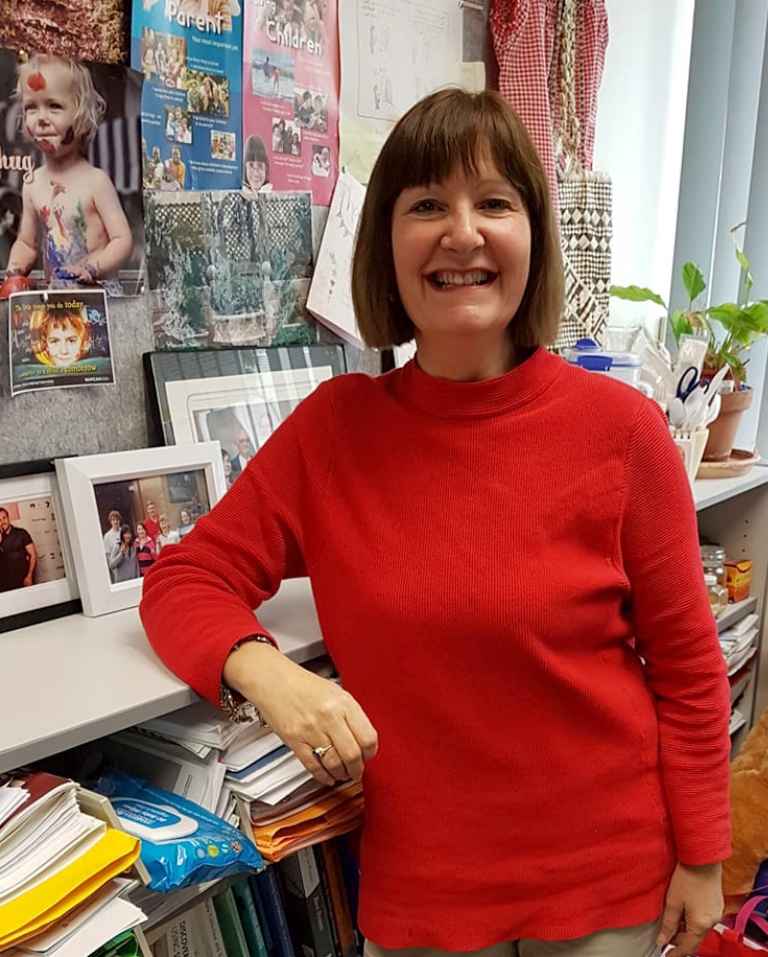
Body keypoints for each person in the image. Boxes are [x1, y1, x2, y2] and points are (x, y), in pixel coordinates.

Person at [141, 89, 729, 957]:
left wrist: (706, 857)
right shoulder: (334, 430)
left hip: (612, 874)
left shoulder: (624, 431)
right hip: (425, 888)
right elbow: (185, 577)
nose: (462, 233)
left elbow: (687, 670)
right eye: (426, 205)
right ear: (386, 245)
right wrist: (266, 672)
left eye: (495, 202)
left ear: (534, 236)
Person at [4, 55, 133, 291]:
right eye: (31, 108)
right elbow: (27, 243)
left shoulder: (96, 181)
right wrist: (14, 271)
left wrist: (93, 267)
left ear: (81, 115)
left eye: (54, 106)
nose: (41, 118)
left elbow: (122, 241)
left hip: (98, 299)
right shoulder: (32, 183)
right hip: (58, 300)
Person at [0, 506, 37, 591]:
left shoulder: (21, 533)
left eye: (4, 518)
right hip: (4, 584)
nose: (2, 522)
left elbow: (33, 555)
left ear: (9, 518)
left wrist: (29, 576)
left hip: (23, 580)